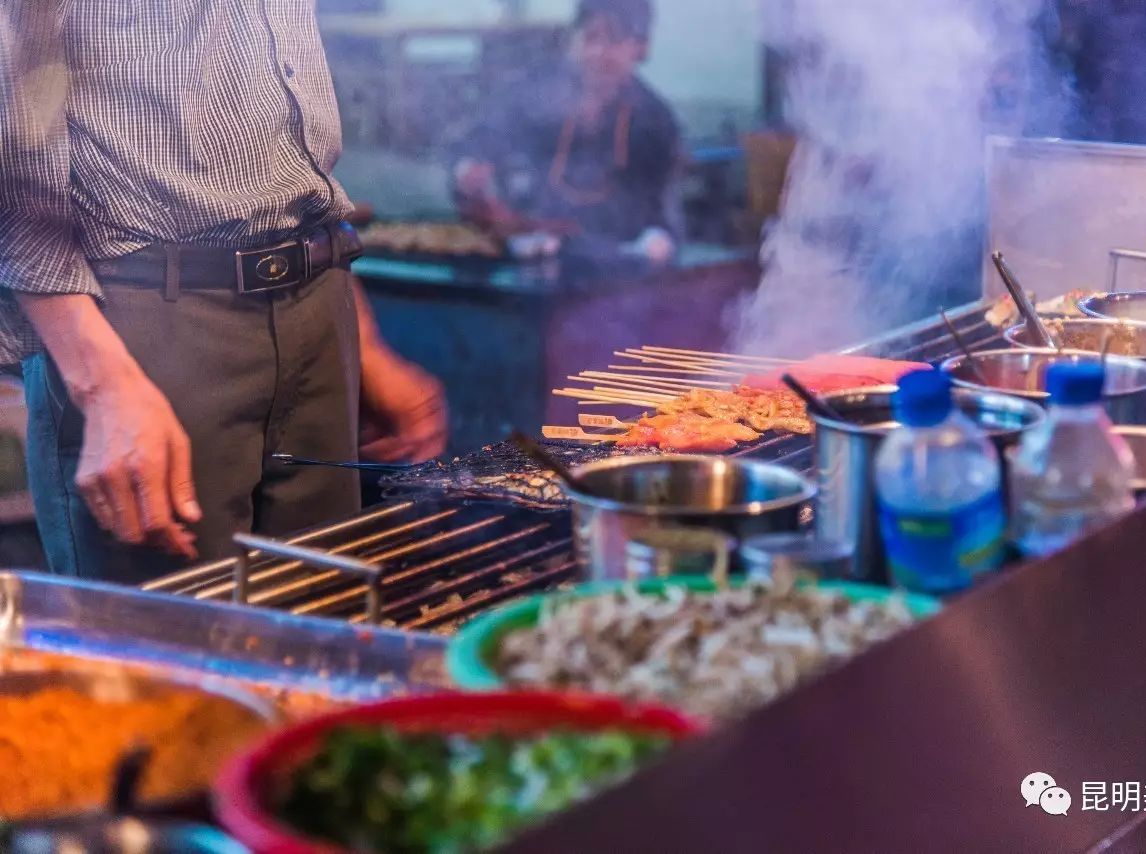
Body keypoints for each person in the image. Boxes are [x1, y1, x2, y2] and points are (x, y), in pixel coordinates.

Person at [0, 3, 448, 584]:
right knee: (173, 649)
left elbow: (288, 166)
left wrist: (360, 339)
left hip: (319, 303)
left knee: (319, 628)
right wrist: (101, 385)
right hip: (143, 323)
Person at [453, 0, 682, 265]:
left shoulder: (654, 120)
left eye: (613, 40)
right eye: (590, 37)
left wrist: (658, 238)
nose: (597, 53)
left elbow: (661, 212)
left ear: (641, 48)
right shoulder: (528, 93)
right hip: (526, 255)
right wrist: (466, 172)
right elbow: (476, 144)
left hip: (614, 269)